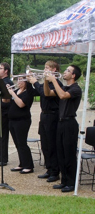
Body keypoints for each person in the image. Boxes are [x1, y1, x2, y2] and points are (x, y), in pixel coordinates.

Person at [44, 65, 82, 193]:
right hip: (60, 123)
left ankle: (71, 183)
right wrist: (45, 80)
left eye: (68, 71)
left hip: (69, 123)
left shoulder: (76, 89)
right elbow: (47, 93)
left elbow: (63, 96)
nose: (64, 72)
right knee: (60, 153)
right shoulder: (64, 87)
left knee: (69, 154)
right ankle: (64, 181)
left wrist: (53, 80)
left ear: (73, 75)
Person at [27, 61, 63, 182]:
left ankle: (55, 171)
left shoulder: (57, 83)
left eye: (47, 68)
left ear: (54, 70)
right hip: (44, 115)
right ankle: (49, 168)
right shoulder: (45, 83)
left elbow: (45, 94)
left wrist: (36, 82)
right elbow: (34, 92)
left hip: (53, 115)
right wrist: (29, 82)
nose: (44, 70)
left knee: (52, 145)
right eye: (44, 67)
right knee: (45, 145)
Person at [5, 76, 34, 174]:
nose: (19, 81)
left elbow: (21, 104)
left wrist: (12, 93)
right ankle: (22, 163)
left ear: (26, 82)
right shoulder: (16, 90)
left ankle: (28, 165)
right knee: (17, 144)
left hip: (22, 120)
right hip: (12, 120)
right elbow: (5, 101)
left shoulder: (28, 93)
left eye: (21, 80)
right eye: (18, 79)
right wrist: (6, 91)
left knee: (22, 143)